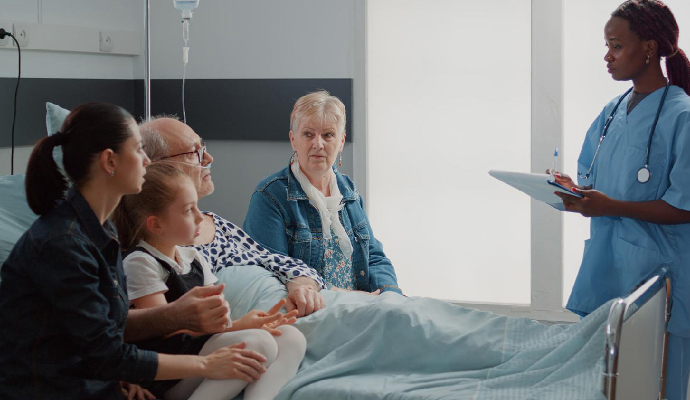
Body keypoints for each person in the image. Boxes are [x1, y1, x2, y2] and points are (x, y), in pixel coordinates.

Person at [0, 103, 276, 400]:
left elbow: (102, 329)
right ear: (110, 162)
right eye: (138, 150)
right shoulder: (62, 245)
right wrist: (207, 364)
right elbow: (104, 353)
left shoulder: (101, 232)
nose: (147, 161)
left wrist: (173, 320)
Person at [552, 2, 690, 399]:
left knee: (662, 385)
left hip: (661, 279)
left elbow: (684, 206)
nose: (606, 56)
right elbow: (591, 179)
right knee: (611, 387)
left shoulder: (682, 116)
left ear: (648, 48)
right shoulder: (611, 112)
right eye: (606, 45)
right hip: (609, 268)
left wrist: (611, 206)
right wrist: (568, 191)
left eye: (615, 45)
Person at [113, 162, 306, 400]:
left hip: (201, 351)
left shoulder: (192, 256)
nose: (199, 217)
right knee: (258, 343)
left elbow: (214, 323)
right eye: (187, 210)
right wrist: (240, 328)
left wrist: (246, 324)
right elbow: (164, 332)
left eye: (197, 207)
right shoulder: (140, 262)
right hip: (169, 373)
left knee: (291, 338)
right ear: (156, 224)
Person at [139, 117, 326, 317]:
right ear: (155, 167)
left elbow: (275, 260)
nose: (209, 158)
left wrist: (303, 286)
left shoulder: (217, 224)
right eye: (194, 152)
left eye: (203, 147)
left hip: (306, 305)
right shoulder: (158, 249)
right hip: (272, 320)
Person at [244, 90, 402, 295]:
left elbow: (374, 257)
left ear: (341, 141)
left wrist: (390, 294)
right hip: (308, 315)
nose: (318, 144)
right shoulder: (269, 197)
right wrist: (352, 298)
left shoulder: (350, 193)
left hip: (361, 309)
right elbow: (270, 275)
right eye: (308, 134)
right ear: (293, 139)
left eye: (328, 135)